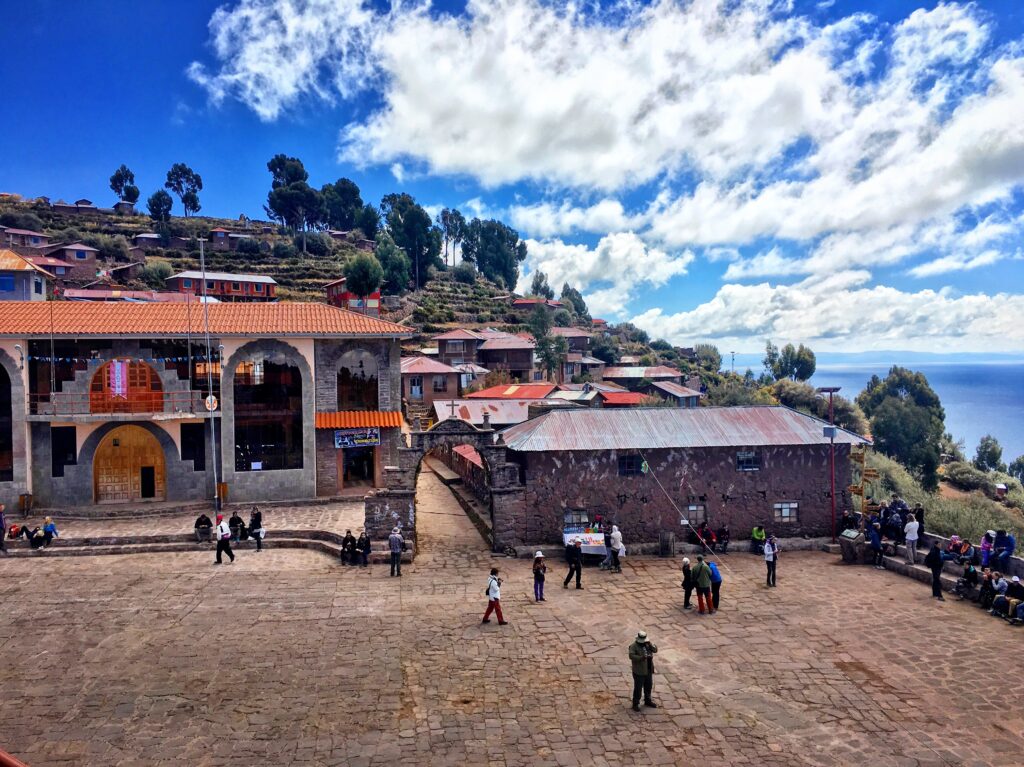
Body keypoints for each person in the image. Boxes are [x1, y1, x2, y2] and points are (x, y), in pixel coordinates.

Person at [627, 631, 658, 712]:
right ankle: (635, 703)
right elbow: (631, 655)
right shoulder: (633, 646)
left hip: (648, 670)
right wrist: (641, 658)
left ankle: (647, 700)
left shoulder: (647, 644)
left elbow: (655, 650)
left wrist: (650, 644)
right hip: (639, 671)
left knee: (648, 686)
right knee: (638, 688)